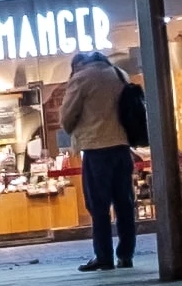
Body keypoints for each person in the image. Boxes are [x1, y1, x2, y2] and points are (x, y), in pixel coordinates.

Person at [42, 50, 141, 269]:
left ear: (78, 66)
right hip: (122, 147)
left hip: (96, 150)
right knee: (124, 205)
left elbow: (66, 119)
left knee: (99, 207)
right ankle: (126, 255)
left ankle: (104, 257)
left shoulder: (82, 78)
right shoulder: (119, 73)